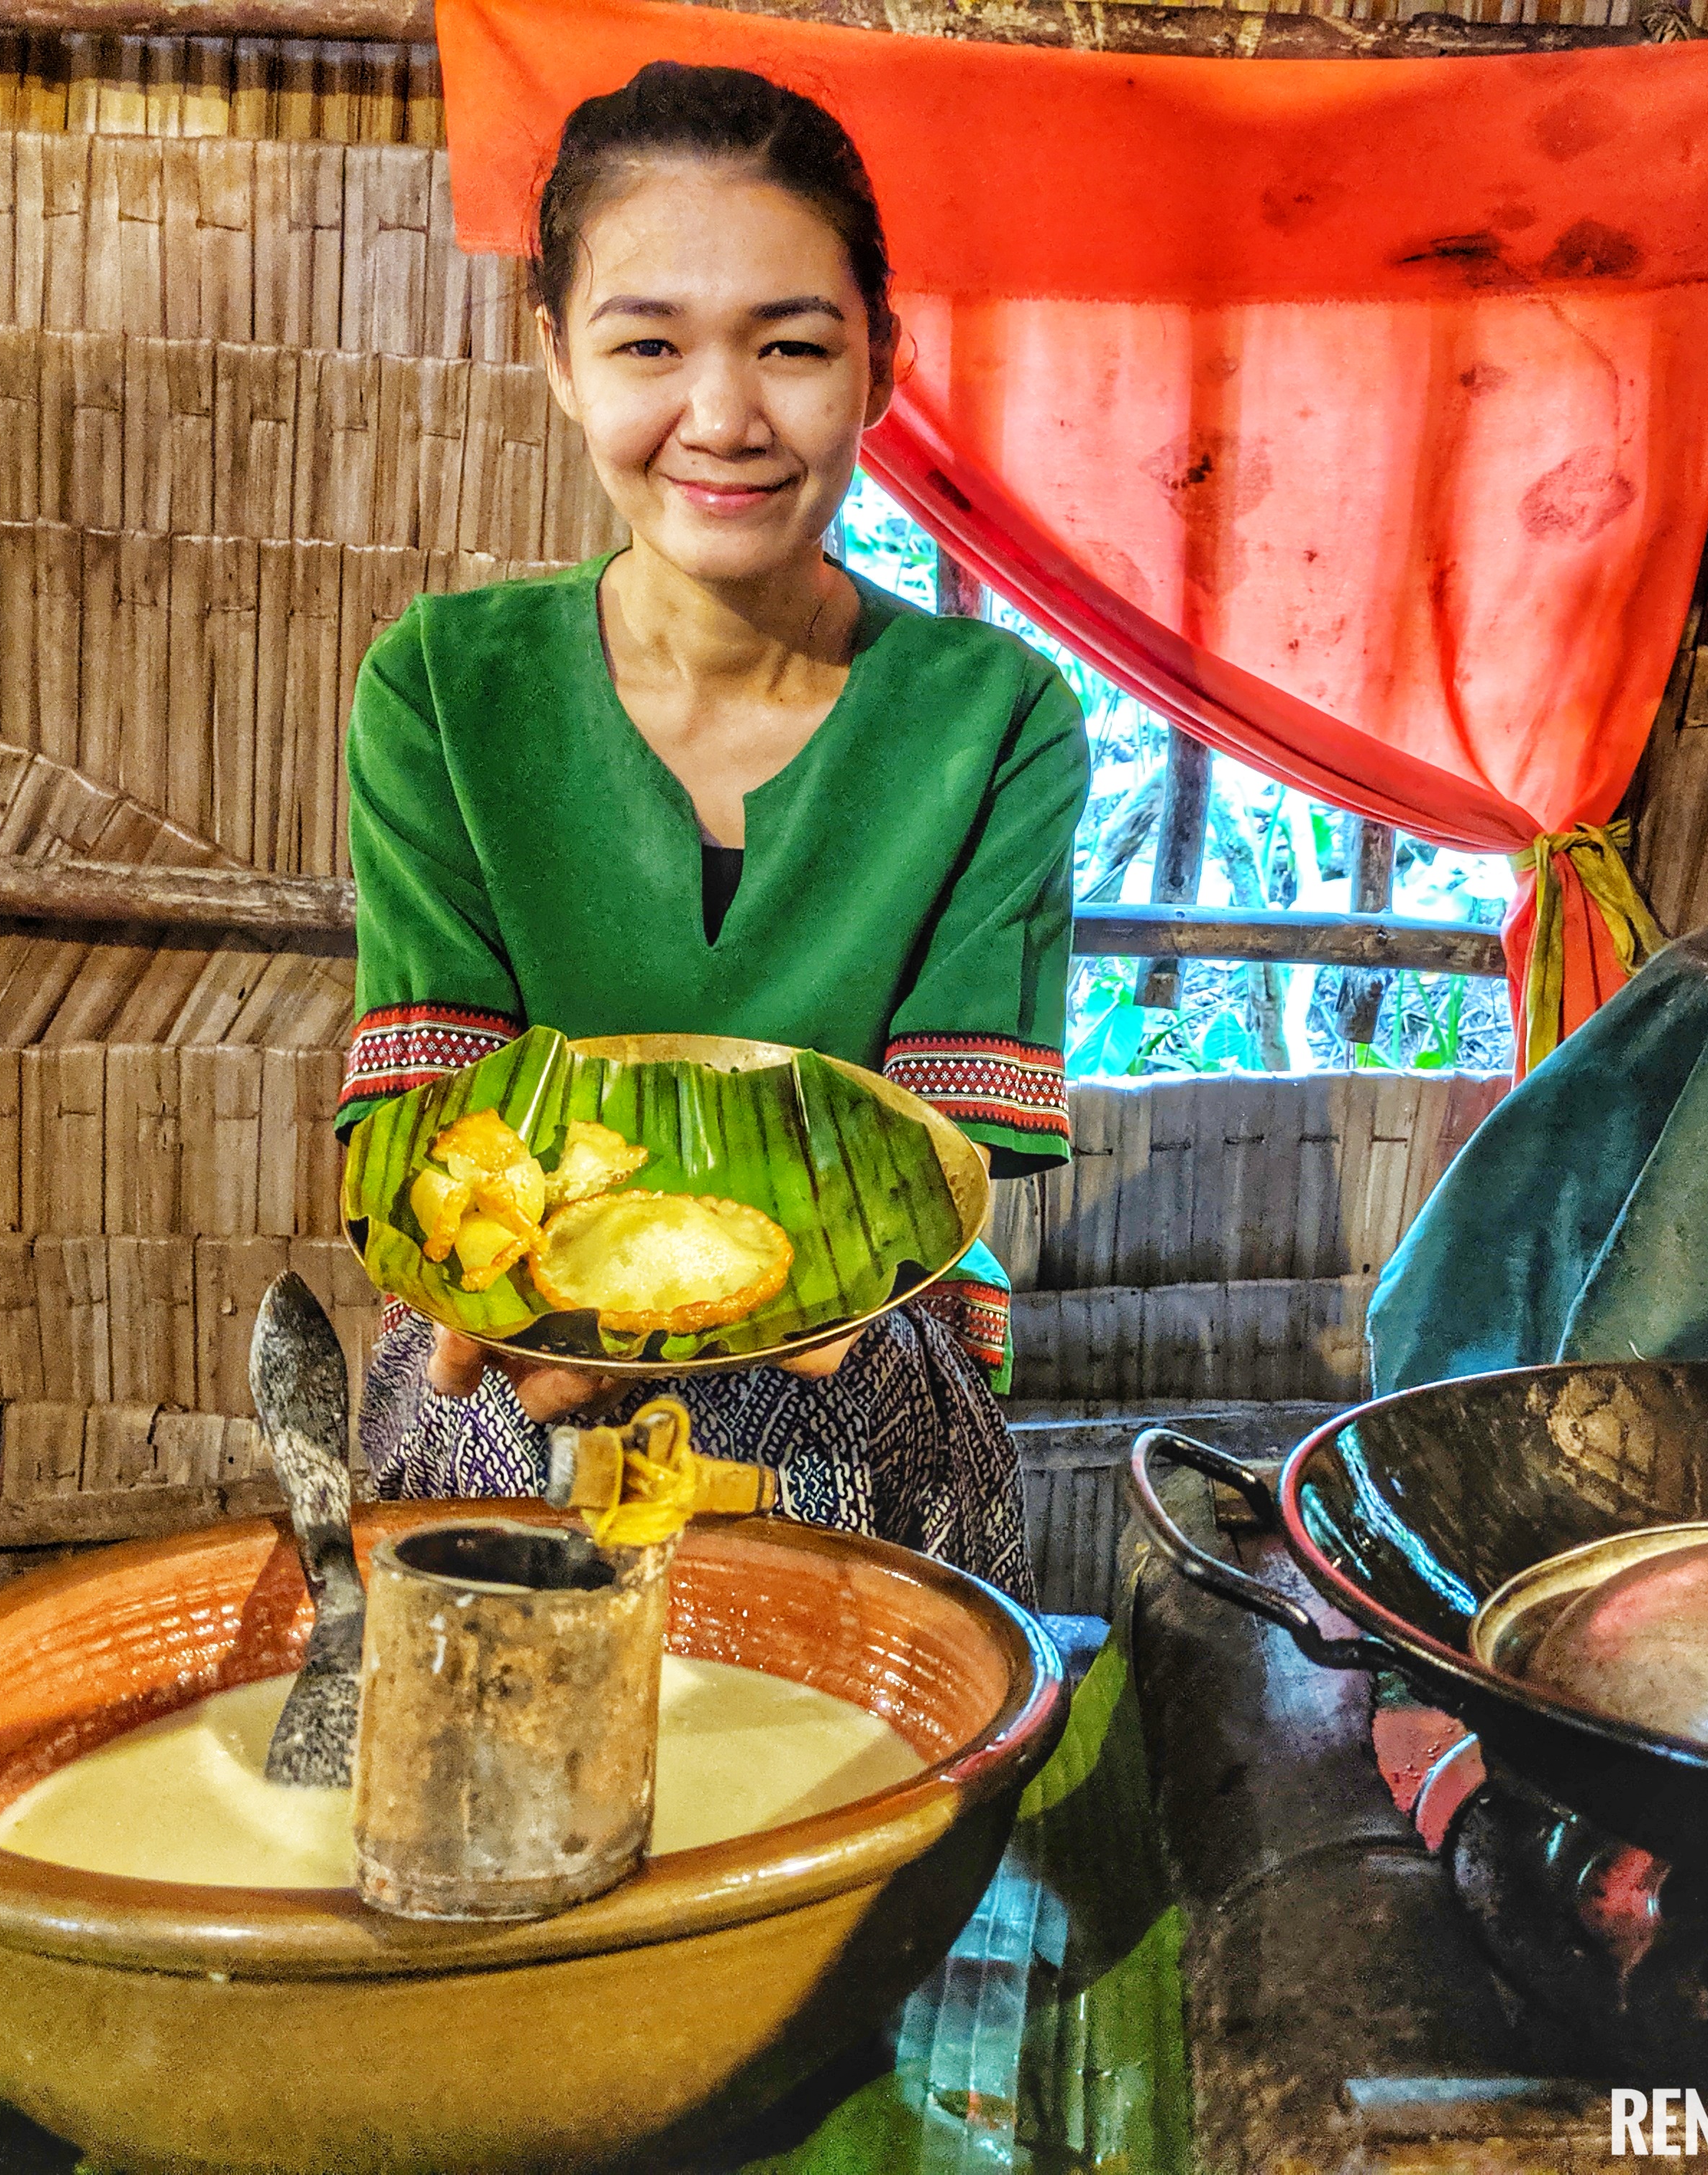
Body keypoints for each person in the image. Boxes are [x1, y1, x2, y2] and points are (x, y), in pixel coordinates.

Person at [337, 60, 1087, 1599]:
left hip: (858, 1334)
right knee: (497, 1502)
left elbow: (935, 1159)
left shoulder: (997, 714)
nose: (725, 417)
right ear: (557, 357)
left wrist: (751, 1328)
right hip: (514, 1341)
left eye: (793, 347)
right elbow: (437, 1124)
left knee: (818, 1505)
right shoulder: (442, 689)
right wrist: (556, 1326)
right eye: (650, 345)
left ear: (883, 361)